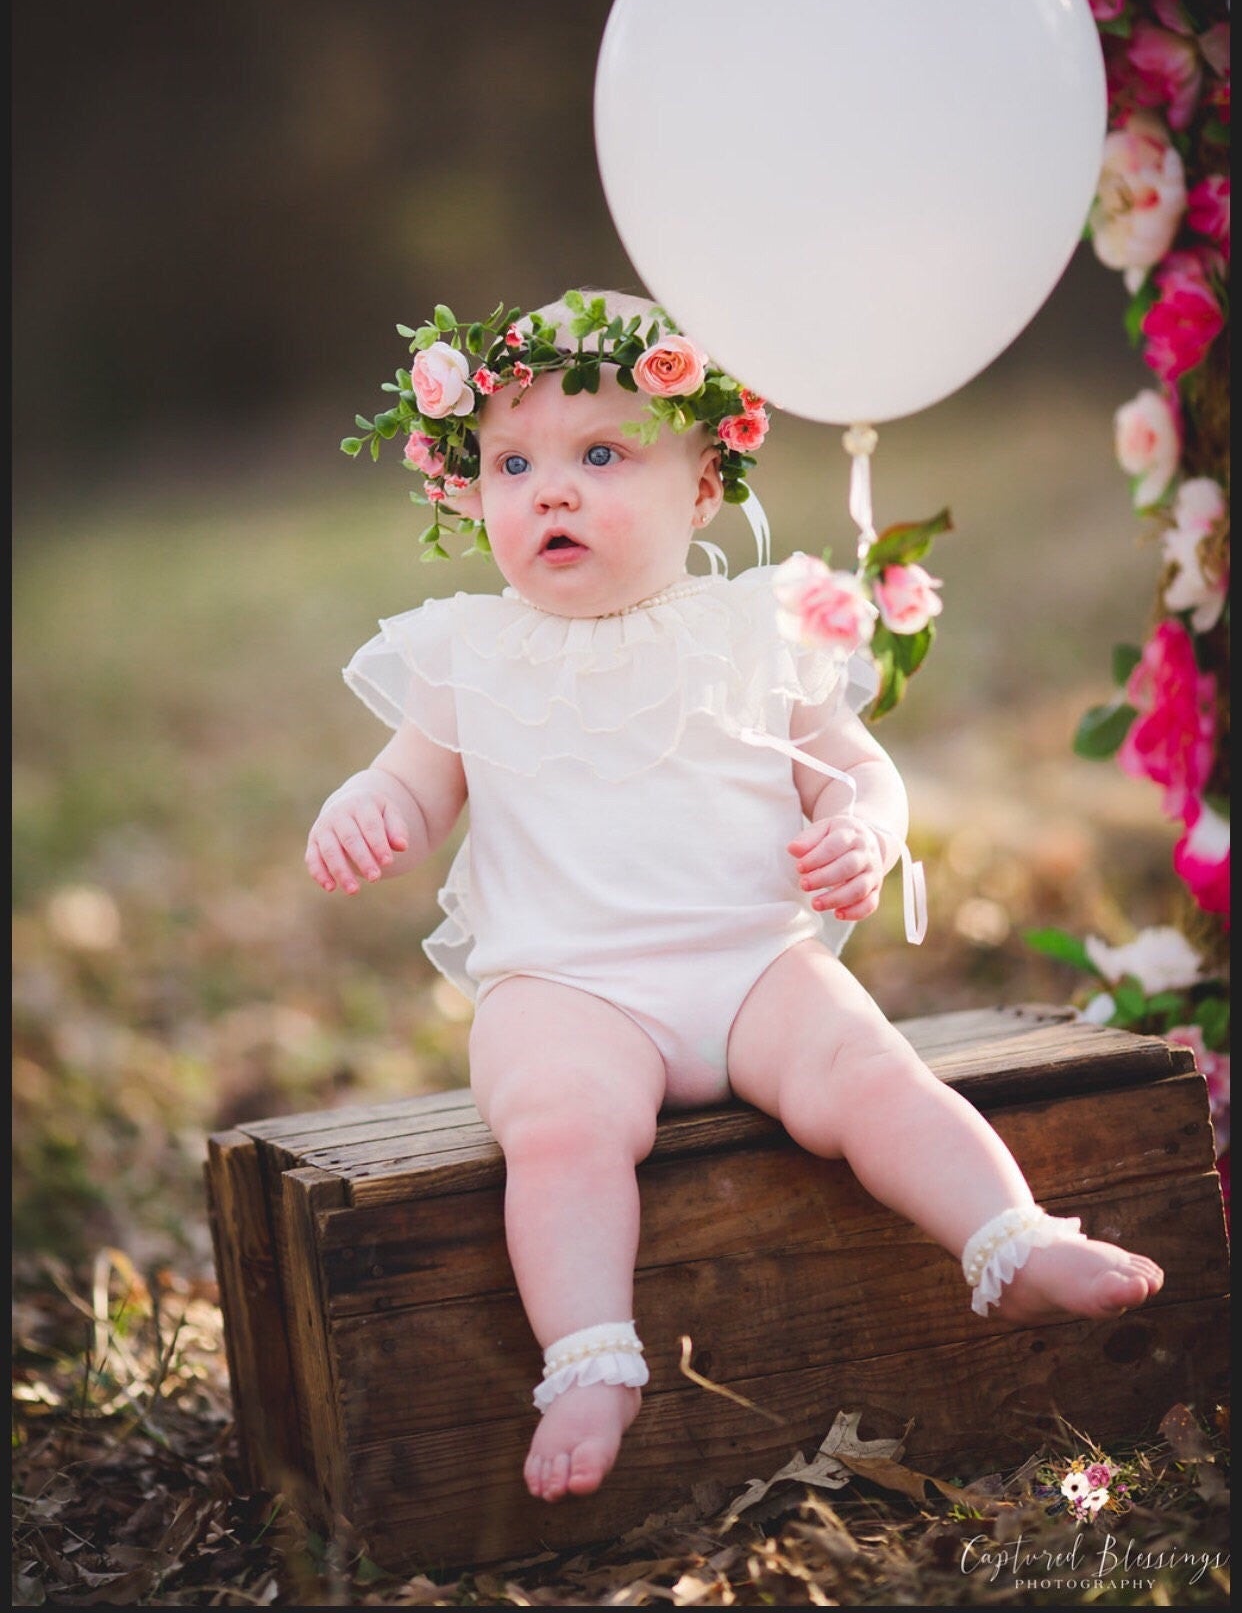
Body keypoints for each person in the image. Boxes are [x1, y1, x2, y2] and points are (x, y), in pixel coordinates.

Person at [305, 290, 1164, 1506]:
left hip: (756, 965)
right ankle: (590, 1356)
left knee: (870, 1073)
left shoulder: (754, 630)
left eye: (601, 454)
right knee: (556, 1123)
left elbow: (855, 767)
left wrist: (863, 826)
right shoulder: (465, 657)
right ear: (468, 490)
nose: (551, 489)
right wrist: (369, 808)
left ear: (704, 484)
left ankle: (1013, 1238)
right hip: (569, 984)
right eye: (513, 462)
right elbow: (412, 782)